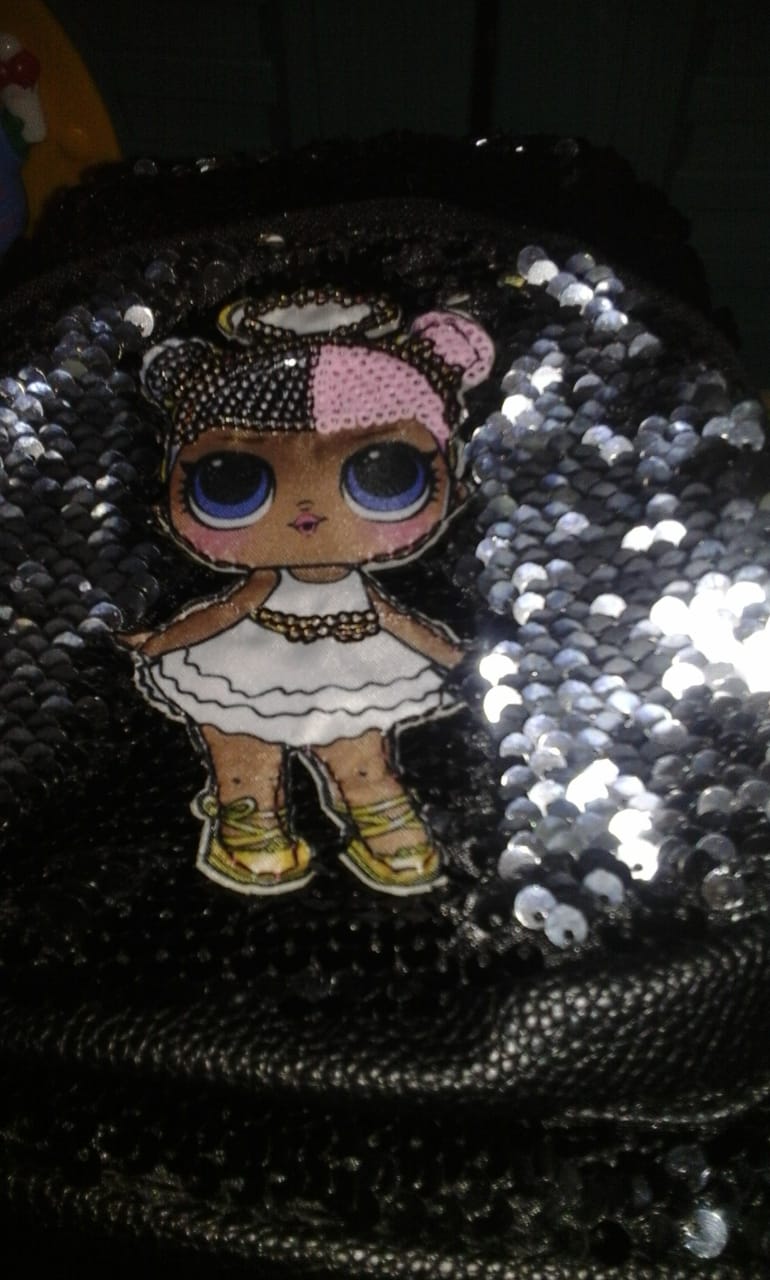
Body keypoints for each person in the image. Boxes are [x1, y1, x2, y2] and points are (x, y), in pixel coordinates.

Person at [119, 289, 494, 895]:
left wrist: (453, 656)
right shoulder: (268, 580)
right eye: (232, 482)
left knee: (358, 749)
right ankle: (255, 826)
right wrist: (161, 640)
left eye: (384, 476)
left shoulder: (319, 582)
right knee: (247, 751)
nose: (306, 513)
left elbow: (392, 618)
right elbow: (228, 610)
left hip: (343, 664)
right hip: (247, 665)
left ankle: (379, 822)